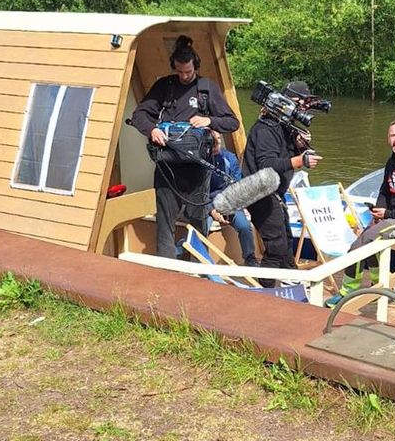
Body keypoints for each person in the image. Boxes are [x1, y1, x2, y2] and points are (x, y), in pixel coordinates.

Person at [131, 35, 240, 259]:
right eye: (180, 72)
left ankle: (199, 267)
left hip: (198, 170)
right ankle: (168, 270)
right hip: (167, 169)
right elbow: (139, 114)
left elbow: (232, 122)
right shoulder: (165, 86)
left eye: (188, 72)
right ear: (174, 68)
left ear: (195, 67)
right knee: (165, 222)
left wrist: (209, 121)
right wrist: (152, 129)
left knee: (199, 221)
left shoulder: (206, 88)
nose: (184, 76)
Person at [325, 119, 395, 307]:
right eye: (393, 135)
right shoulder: (392, 162)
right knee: (368, 236)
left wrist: (388, 214)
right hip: (391, 216)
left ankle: (348, 291)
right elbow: (385, 191)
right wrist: (378, 214)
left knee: (361, 244)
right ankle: (378, 285)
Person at [242, 81, 322, 286]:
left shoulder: (284, 127)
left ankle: (292, 281)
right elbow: (266, 163)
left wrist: (296, 146)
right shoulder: (265, 128)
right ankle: (265, 290)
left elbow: (283, 158)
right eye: (300, 103)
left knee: (285, 242)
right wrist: (299, 160)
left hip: (273, 193)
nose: (302, 109)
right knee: (276, 246)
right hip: (258, 192)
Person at [207, 129, 259, 267]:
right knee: (201, 227)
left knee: (244, 226)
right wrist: (212, 210)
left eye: (218, 139)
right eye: (213, 139)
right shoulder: (201, 162)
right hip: (207, 204)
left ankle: (250, 258)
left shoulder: (229, 158)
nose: (217, 142)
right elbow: (198, 194)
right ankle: (193, 254)